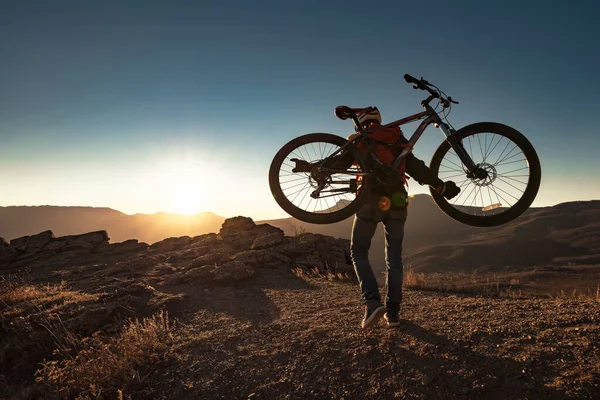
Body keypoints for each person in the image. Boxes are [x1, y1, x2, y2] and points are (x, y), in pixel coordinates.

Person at [348, 107, 460, 328]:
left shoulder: (361, 139)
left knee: (358, 251)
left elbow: (338, 165)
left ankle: (372, 303)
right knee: (394, 258)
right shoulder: (396, 137)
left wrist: (309, 168)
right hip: (398, 201)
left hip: (370, 200)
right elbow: (416, 167)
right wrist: (439, 185)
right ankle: (393, 312)